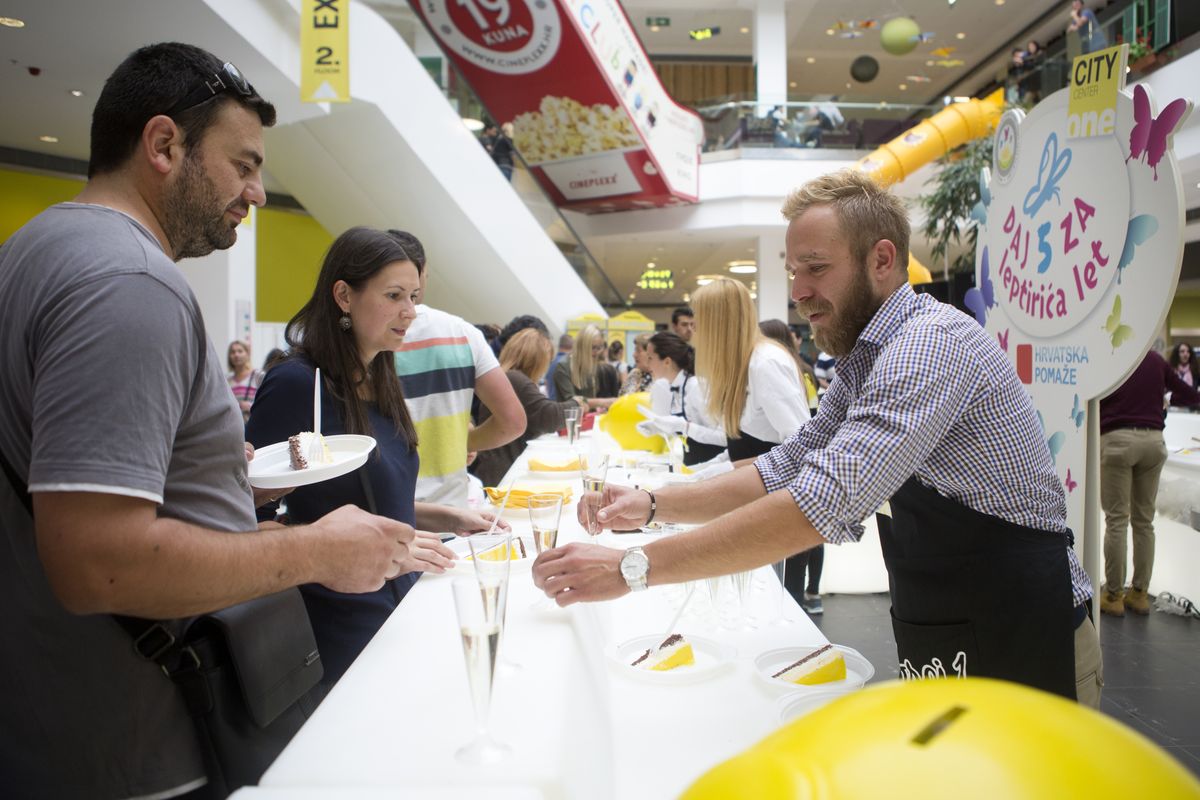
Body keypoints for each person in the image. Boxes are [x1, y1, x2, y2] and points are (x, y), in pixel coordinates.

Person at [0, 43, 414, 798]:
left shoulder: (34, 248)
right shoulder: (130, 282)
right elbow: (97, 561)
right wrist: (313, 552)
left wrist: (231, 492)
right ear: (164, 145)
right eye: (244, 165)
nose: (256, 193)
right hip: (139, 735)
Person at [533, 169, 1103, 708]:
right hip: (950, 622)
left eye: (816, 268)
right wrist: (653, 505)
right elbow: (787, 465)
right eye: (793, 273)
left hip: (1024, 630)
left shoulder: (931, 343)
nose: (799, 292)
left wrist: (631, 568)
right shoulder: (866, 357)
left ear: (882, 259)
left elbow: (819, 502)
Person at [247, 227, 500, 684]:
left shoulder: (381, 373)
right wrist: (356, 548)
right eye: (394, 296)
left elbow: (365, 500)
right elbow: (244, 512)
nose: (411, 312)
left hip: (404, 600)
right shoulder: (298, 383)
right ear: (344, 295)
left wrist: (443, 517)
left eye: (415, 296)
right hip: (342, 619)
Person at [390, 230, 525, 507]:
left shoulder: (365, 338)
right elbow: (513, 421)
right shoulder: (462, 333)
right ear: (423, 272)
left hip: (385, 512)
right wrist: (463, 441)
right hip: (451, 510)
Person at [1099, 350, 1200, 617]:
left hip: (1117, 439)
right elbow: (1191, 395)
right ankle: (1140, 594)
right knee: (1144, 521)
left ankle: (1113, 595)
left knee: (1116, 520)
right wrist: (1164, 400)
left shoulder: (1111, 357)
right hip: (1154, 441)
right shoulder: (1155, 360)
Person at [692, 278, 809, 464]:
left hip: (770, 489)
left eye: (698, 319)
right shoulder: (739, 366)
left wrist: (717, 474)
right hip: (748, 486)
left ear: (717, 324)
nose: (694, 328)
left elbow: (801, 447)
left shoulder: (766, 364)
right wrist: (702, 473)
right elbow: (739, 448)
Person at [759, 319, 823, 610]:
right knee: (810, 537)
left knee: (799, 537)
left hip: (795, 457)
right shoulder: (803, 370)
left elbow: (801, 423)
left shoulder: (780, 370)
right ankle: (812, 593)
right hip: (801, 453)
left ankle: (799, 598)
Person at [474, 329, 588, 486]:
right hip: (502, 475)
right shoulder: (516, 379)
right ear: (538, 359)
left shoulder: (508, 377)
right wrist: (577, 403)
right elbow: (548, 416)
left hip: (496, 469)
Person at [636, 331, 727, 466]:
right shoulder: (676, 387)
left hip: (713, 467)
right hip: (694, 465)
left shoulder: (696, 387)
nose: (647, 364)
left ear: (667, 361)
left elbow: (724, 437)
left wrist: (684, 426)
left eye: (650, 358)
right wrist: (660, 428)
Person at [552, 324, 619, 410]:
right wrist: (603, 402)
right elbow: (572, 402)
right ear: (582, 346)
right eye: (593, 347)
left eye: (599, 347)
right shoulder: (563, 366)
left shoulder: (592, 365)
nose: (597, 352)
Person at [227, 339, 264, 422]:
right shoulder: (227, 380)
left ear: (247, 354)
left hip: (254, 425)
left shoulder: (258, 376)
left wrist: (251, 406)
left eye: (240, 351)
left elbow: (266, 401)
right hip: (234, 426)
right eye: (233, 352)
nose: (236, 355)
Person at [545, 332, 573, 400]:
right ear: (573, 346)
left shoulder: (551, 362)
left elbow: (546, 383)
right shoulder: (567, 363)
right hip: (564, 407)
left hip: (552, 404)